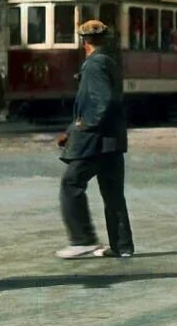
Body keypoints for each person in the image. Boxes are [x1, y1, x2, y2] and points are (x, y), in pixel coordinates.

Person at [55, 20, 134, 259]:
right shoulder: (110, 61)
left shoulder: (94, 65)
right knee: (112, 192)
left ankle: (82, 239)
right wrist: (70, 131)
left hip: (95, 140)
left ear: (84, 41)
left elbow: (101, 102)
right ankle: (122, 246)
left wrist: (82, 126)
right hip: (112, 139)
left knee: (71, 184)